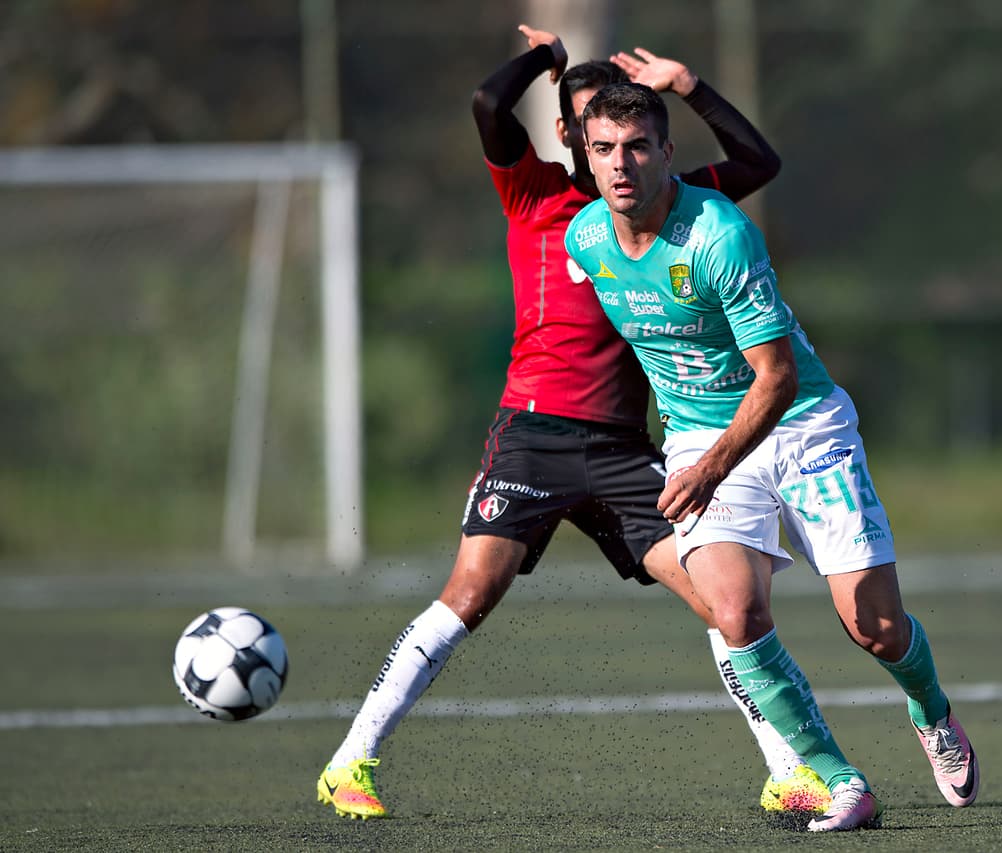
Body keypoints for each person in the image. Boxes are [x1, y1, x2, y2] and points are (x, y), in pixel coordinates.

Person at [316, 26, 832, 821]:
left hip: (625, 448)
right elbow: (490, 101)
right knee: (472, 591)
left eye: (628, 138)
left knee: (721, 602)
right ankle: (351, 761)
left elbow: (760, 163)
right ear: (570, 138)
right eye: (594, 133)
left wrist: (690, 86)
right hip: (533, 434)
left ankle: (785, 770)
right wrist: (548, 55)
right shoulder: (535, 195)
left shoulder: (671, 209)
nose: (614, 156)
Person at [565, 83, 979, 832]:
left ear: (666, 153)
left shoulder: (719, 235)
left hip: (800, 426)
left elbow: (778, 379)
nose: (620, 164)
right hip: (700, 438)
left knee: (875, 627)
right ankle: (838, 778)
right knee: (734, 610)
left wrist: (708, 467)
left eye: (635, 147)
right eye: (603, 149)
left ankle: (931, 708)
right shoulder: (585, 239)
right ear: (585, 157)